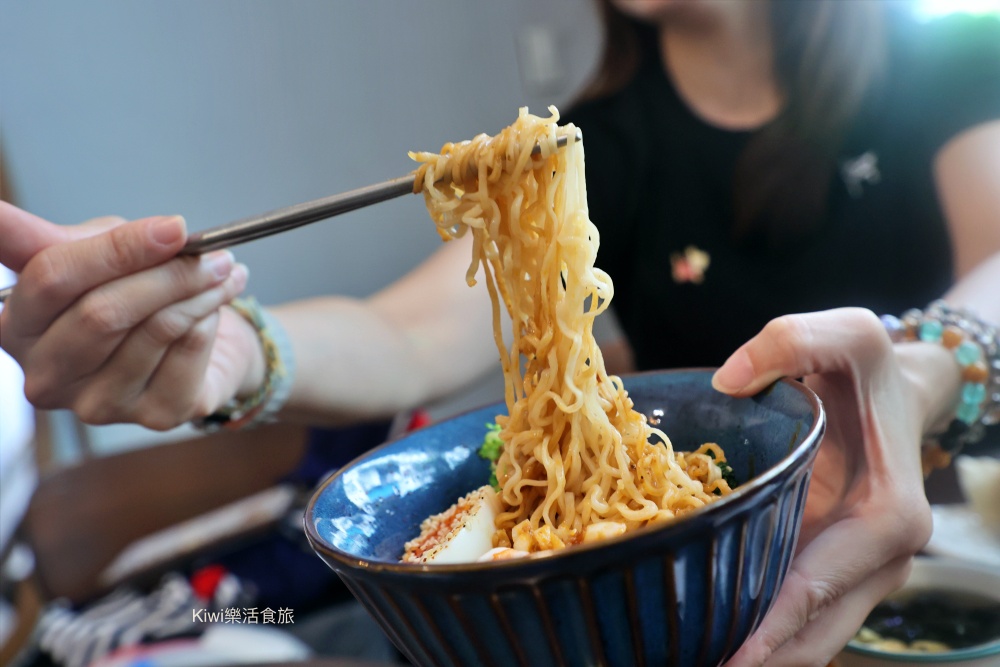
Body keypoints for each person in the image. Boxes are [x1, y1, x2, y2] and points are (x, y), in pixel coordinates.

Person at [1, 0, 998, 664]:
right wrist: (237, 349)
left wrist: (921, 374)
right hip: (689, 612)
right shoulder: (592, 142)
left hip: (946, 564)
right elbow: (405, 331)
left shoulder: (945, 52)